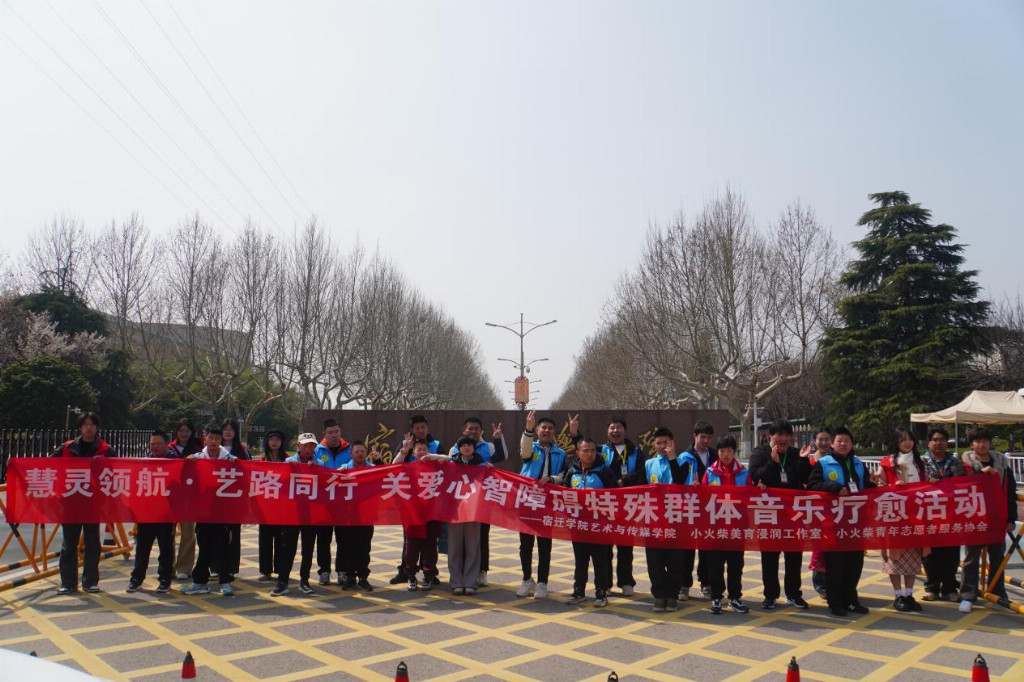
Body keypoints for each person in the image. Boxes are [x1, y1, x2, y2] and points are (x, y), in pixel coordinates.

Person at [569, 414, 646, 596]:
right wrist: (574, 433)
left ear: (624, 430)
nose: (615, 431)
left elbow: (642, 474)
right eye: (612, 428)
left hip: (628, 504)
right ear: (607, 431)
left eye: (618, 427)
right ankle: (607, 584)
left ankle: (626, 581)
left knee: (626, 545)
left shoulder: (636, 451)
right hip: (605, 507)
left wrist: (623, 481)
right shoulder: (600, 450)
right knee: (605, 547)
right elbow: (583, 449)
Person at [807, 426, 874, 616]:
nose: (843, 444)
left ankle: (851, 600)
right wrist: (833, 488)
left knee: (855, 563)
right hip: (833, 522)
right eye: (839, 441)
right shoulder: (824, 463)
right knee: (835, 564)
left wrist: (877, 486)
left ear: (852, 444)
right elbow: (812, 485)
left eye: (847, 440)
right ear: (832, 444)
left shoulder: (858, 464)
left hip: (856, 521)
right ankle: (835, 602)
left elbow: (865, 486)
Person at [748, 420, 811, 610]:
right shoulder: (760, 453)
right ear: (770, 436)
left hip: (793, 515)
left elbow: (806, 478)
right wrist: (773, 464)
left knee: (794, 556)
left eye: (786, 435)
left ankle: (793, 594)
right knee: (769, 557)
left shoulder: (795, 454)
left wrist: (803, 460)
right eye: (779, 435)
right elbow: (756, 476)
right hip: (770, 515)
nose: (783, 439)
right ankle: (770, 595)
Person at [54, 412, 117, 595]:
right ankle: (68, 583)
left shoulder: (106, 450)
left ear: (97, 427)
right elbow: (46, 465)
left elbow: (118, 472)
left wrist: (104, 464)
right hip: (71, 502)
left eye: (92, 424)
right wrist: (16, 464)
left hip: (93, 504)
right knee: (69, 544)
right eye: (85, 424)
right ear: (80, 428)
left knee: (92, 543)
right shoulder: (66, 447)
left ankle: (90, 582)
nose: (89, 428)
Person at [958, 427, 1018, 613]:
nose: (982, 444)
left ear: (990, 442)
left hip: (996, 518)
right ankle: (968, 595)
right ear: (972, 444)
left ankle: (997, 591)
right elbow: (959, 487)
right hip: (973, 517)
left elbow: (1010, 492)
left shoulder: (1001, 464)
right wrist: (980, 476)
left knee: (997, 556)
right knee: (971, 558)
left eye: (985, 440)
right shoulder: (965, 464)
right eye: (978, 441)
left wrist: (1011, 518)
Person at [555, 437, 617, 607]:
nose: (590, 454)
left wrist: (596, 497)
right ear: (578, 453)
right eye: (586, 451)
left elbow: (616, 496)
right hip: (579, 525)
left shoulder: (605, 471)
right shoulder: (572, 472)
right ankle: (578, 591)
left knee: (600, 561)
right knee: (580, 560)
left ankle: (601, 593)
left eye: (592, 451)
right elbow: (565, 495)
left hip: (600, 525)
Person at [448, 416, 508, 587]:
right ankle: (459, 578)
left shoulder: (488, 447)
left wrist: (498, 438)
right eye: (470, 428)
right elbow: (447, 467)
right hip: (459, 505)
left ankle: (481, 571)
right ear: (463, 430)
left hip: (481, 502)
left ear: (481, 431)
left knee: (481, 538)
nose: (472, 431)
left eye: (476, 428)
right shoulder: (454, 449)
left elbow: (502, 456)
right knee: (458, 543)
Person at [874, 427, 928, 612]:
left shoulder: (921, 463)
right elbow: (878, 489)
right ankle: (898, 595)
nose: (907, 443)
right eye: (903, 439)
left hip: (915, 517)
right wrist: (892, 487)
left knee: (913, 558)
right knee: (894, 558)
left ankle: (909, 594)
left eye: (910, 439)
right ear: (896, 442)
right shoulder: (886, 463)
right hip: (894, 517)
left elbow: (928, 485)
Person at [388, 415, 446, 586]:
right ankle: (405, 571)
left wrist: (434, 458)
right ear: (412, 430)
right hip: (410, 503)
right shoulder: (406, 445)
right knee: (410, 540)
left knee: (430, 541)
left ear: (427, 428)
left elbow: (448, 463)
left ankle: (429, 572)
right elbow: (395, 465)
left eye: (423, 427)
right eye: (417, 428)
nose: (421, 430)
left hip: (431, 503)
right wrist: (405, 449)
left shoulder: (436, 445)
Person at [182, 425, 238, 596]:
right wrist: (188, 462)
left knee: (223, 547)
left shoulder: (230, 459)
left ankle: (226, 582)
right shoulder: (197, 458)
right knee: (204, 547)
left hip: (223, 512)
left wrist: (235, 464)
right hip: (203, 512)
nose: (214, 442)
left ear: (222, 440)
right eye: (211, 438)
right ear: (205, 438)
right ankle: (200, 582)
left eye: (217, 439)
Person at [516, 411, 567, 599]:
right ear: (537, 430)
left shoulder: (560, 453)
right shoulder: (531, 449)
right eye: (543, 428)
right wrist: (528, 429)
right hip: (528, 501)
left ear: (554, 432)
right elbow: (524, 451)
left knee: (545, 545)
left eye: (550, 428)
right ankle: (526, 579)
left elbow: (565, 475)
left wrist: (553, 478)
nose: (547, 431)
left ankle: (543, 583)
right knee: (525, 544)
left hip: (548, 504)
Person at [272, 433, 325, 596]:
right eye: (305, 445)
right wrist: (289, 470)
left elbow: (326, 485)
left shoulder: (320, 463)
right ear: (299, 446)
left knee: (308, 549)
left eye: (311, 445)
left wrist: (317, 470)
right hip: (292, 513)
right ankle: (283, 581)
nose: (309, 448)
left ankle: (304, 581)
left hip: (311, 513)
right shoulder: (288, 462)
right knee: (288, 548)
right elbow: (279, 484)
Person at [703, 435, 750, 614]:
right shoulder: (710, 472)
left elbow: (750, 497)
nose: (725, 455)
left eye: (729, 451)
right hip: (716, 527)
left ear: (734, 452)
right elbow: (703, 499)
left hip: (737, 527)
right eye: (722, 451)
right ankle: (716, 597)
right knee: (715, 564)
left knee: (736, 564)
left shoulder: (744, 473)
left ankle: (735, 597)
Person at [439, 436, 491, 594]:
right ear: (459, 448)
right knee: (454, 547)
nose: (467, 448)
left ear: (474, 448)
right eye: (464, 445)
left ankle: (470, 581)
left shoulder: (482, 464)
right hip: (455, 512)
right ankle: (456, 581)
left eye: (470, 445)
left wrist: (490, 469)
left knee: (473, 547)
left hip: (474, 512)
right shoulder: (451, 464)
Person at [126, 430, 176, 594]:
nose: (154, 446)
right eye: (152, 444)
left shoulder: (175, 461)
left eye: (158, 443)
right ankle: (136, 580)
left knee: (166, 548)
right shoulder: (144, 461)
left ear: (166, 444)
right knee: (142, 548)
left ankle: (164, 580)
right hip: (146, 512)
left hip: (166, 513)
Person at [645, 427, 688, 612]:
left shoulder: (683, 462)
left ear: (673, 443)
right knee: (654, 560)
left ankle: (672, 596)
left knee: (675, 560)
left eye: (666, 443)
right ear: (654, 444)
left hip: (675, 518)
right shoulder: (648, 464)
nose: (663, 446)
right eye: (659, 443)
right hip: (653, 518)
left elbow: (679, 481)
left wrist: (672, 458)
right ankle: (659, 596)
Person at [920, 427, 965, 602]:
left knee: (951, 553)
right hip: (929, 514)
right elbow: (915, 485)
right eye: (935, 440)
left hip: (952, 514)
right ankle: (931, 588)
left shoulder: (955, 462)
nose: (939, 443)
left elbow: (962, 485)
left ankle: (949, 588)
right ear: (929, 442)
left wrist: (944, 484)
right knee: (930, 554)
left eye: (942, 440)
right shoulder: (922, 462)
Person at [676, 421, 718, 600]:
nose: (706, 441)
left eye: (709, 437)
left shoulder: (716, 455)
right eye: (702, 437)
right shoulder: (685, 457)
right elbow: (677, 481)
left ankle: (706, 584)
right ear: (695, 436)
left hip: (710, 508)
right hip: (690, 508)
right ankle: (684, 585)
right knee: (687, 548)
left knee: (706, 547)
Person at [336, 441, 379, 591]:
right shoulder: (343, 470)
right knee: (348, 547)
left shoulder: (373, 469)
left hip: (366, 516)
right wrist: (338, 475)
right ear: (351, 453)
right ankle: (350, 577)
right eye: (357, 452)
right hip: (347, 517)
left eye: (362, 451)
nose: (360, 454)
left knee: (364, 548)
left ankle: (363, 577)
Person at [313, 419, 350, 586]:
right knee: (323, 539)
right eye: (330, 432)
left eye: (337, 431)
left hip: (343, 503)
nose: (334, 435)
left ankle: (342, 571)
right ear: (324, 434)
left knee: (343, 539)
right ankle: (324, 571)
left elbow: (360, 469)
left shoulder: (349, 450)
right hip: (323, 503)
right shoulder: (316, 450)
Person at [169, 418, 204, 580]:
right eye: (181, 431)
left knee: (188, 534)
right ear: (176, 432)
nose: (184, 434)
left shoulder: (198, 449)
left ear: (192, 432)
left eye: (187, 431)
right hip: (171, 497)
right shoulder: (169, 449)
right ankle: (167, 567)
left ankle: (184, 568)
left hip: (190, 497)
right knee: (167, 534)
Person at [802, 428, 833, 598]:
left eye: (827, 439)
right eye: (820, 439)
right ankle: (820, 585)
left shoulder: (837, 460)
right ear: (814, 441)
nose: (823, 443)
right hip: (818, 510)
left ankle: (834, 582)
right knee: (820, 547)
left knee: (835, 547)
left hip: (836, 510)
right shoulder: (811, 462)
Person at [257, 429, 289, 582]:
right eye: (271, 439)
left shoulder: (289, 460)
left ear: (282, 442)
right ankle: (265, 571)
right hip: (265, 506)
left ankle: (280, 569)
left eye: (277, 439)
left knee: (281, 540)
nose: (274, 442)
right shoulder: (261, 459)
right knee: (265, 539)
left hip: (282, 507)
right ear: (268, 442)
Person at [221, 418, 250, 577]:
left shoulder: (242, 450)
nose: (228, 431)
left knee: (234, 535)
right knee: (216, 534)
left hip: (235, 499)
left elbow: (250, 471)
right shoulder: (212, 448)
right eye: (225, 428)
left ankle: (231, 568)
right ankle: (216, 567)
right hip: (216, 500)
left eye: (231, 428)